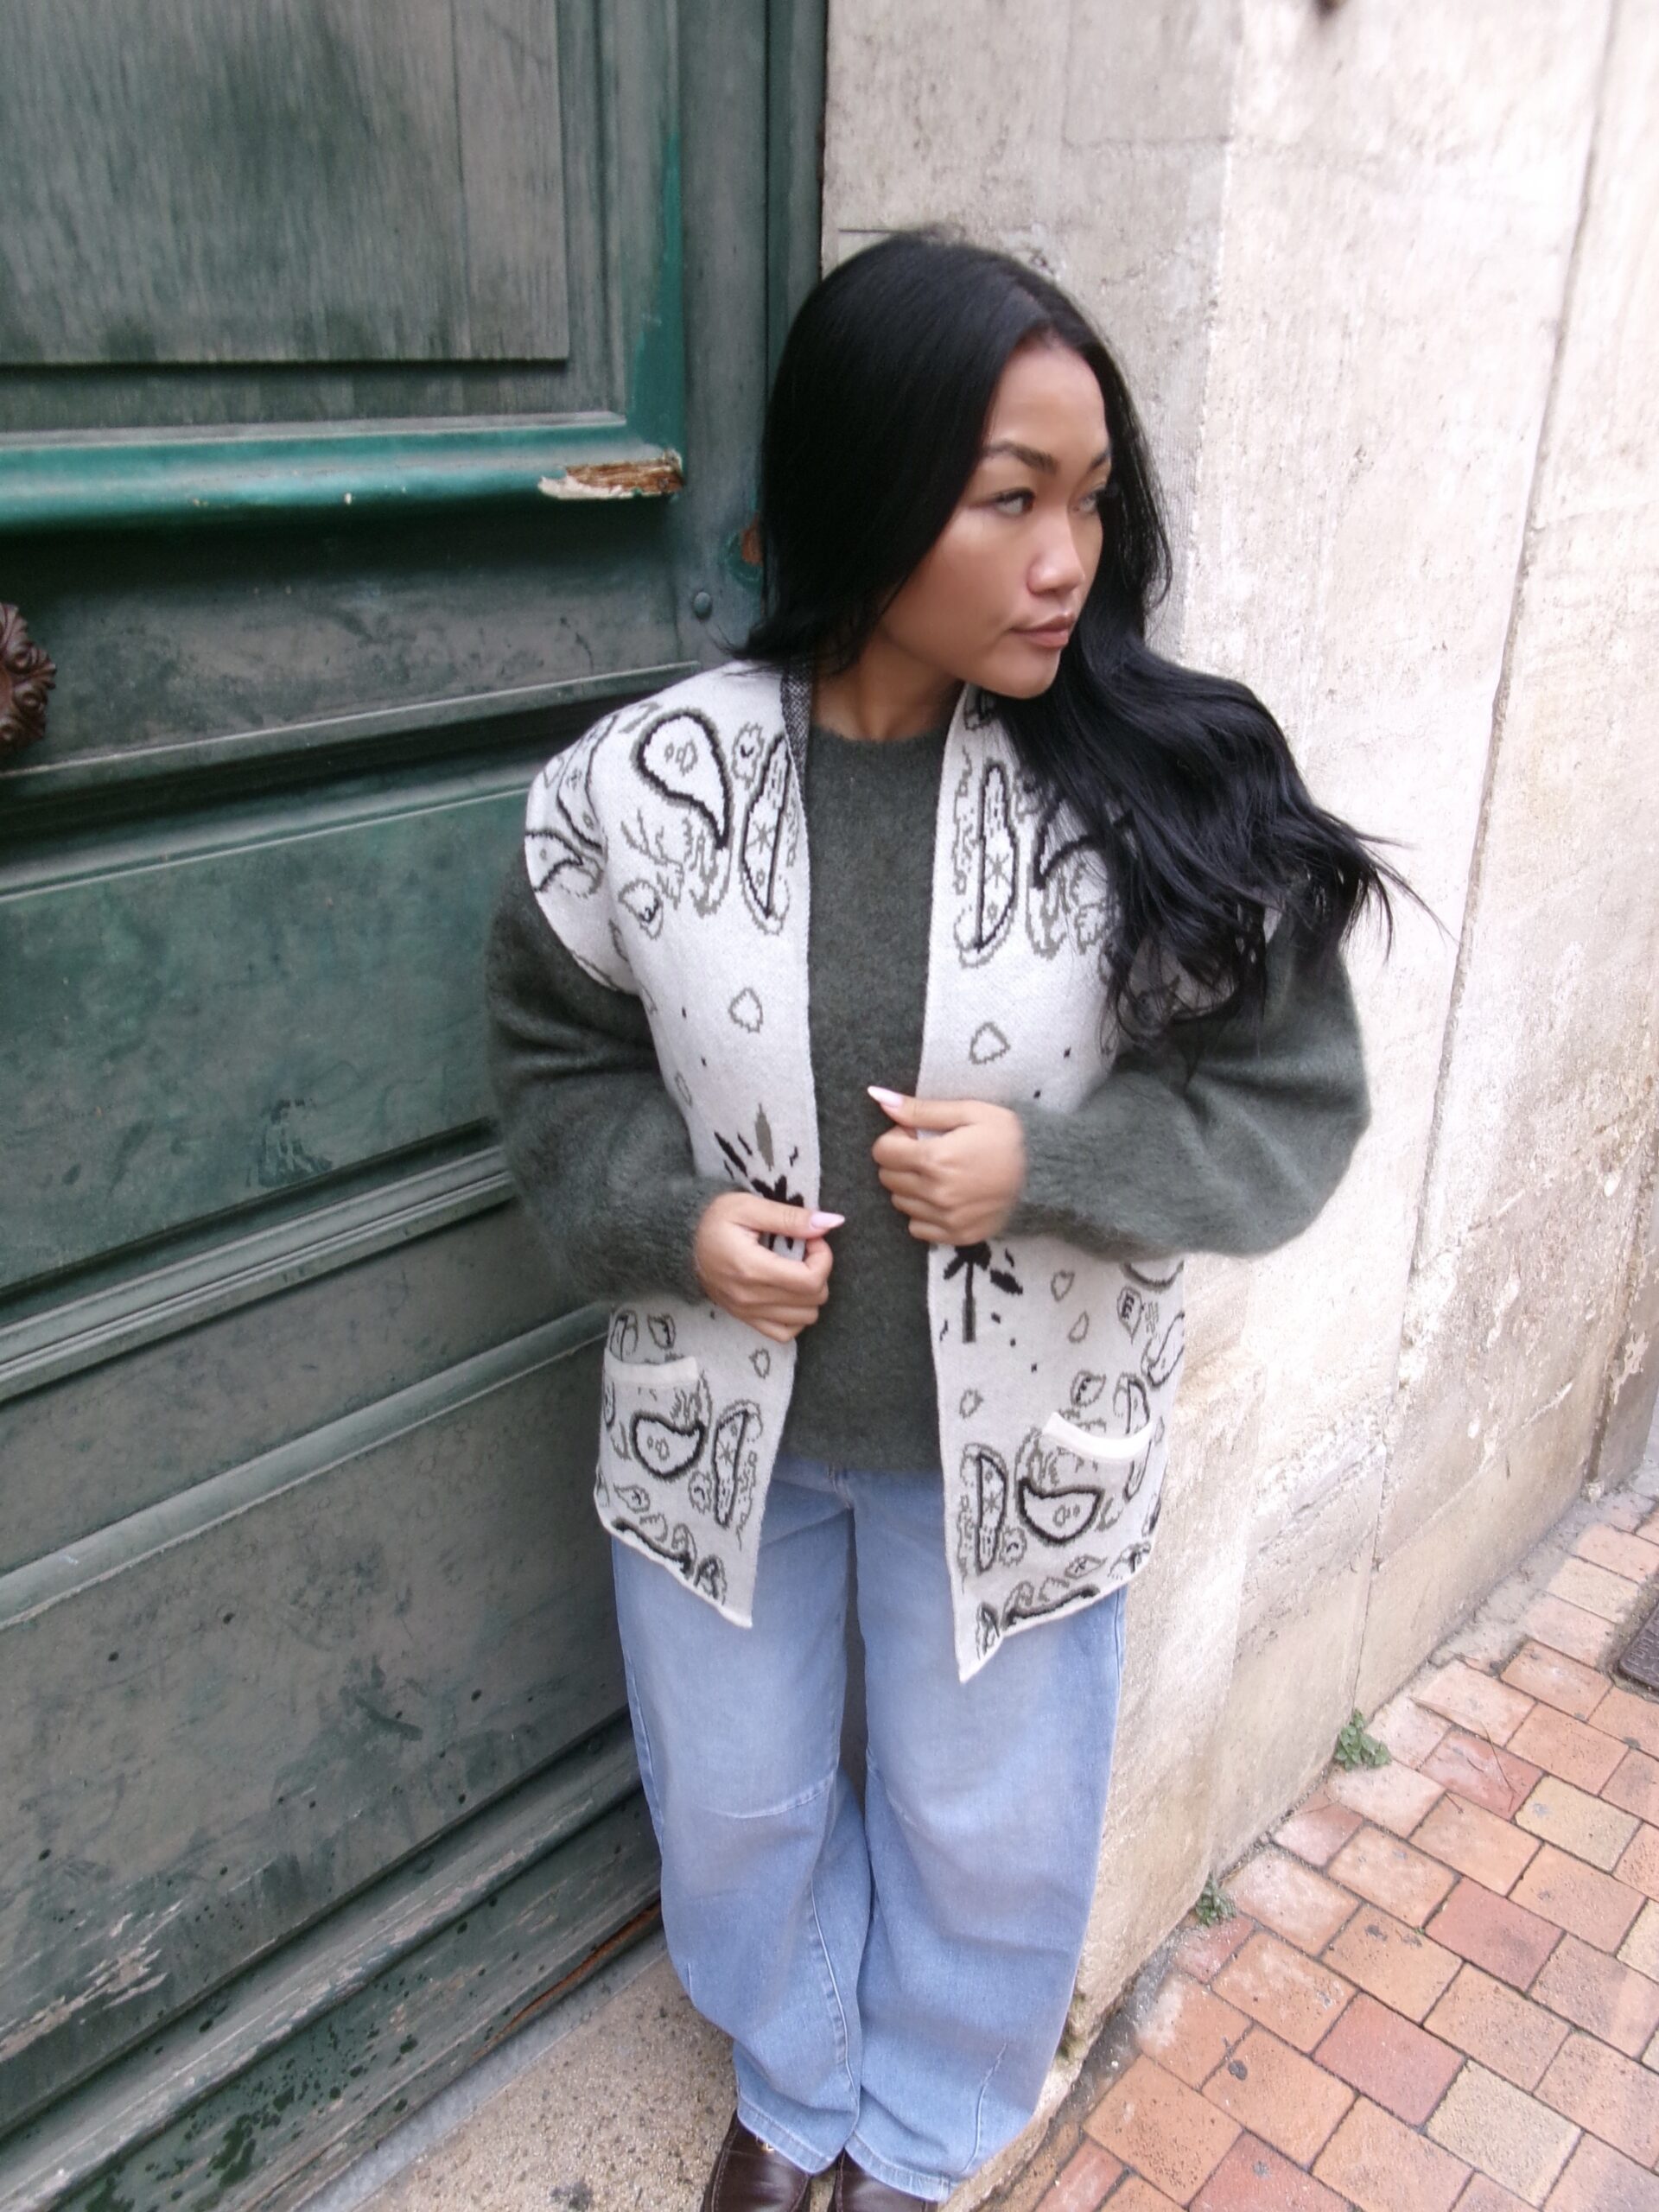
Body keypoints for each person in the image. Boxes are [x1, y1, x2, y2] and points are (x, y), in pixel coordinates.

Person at [485, 229, 1418, 2211]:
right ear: (870, 481)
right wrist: (673, 1220)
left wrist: (1044, 1166)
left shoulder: (1152, 793)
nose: (1069, 559)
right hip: (721, 1431)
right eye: (1012, 499)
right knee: (736, 1798)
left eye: (1091, 500)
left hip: (1019, 1448)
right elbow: (557, 1064)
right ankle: (796, 2082)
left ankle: (922, 2131)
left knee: (990, 1821)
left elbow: (1286, 1097)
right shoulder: (639, 789)